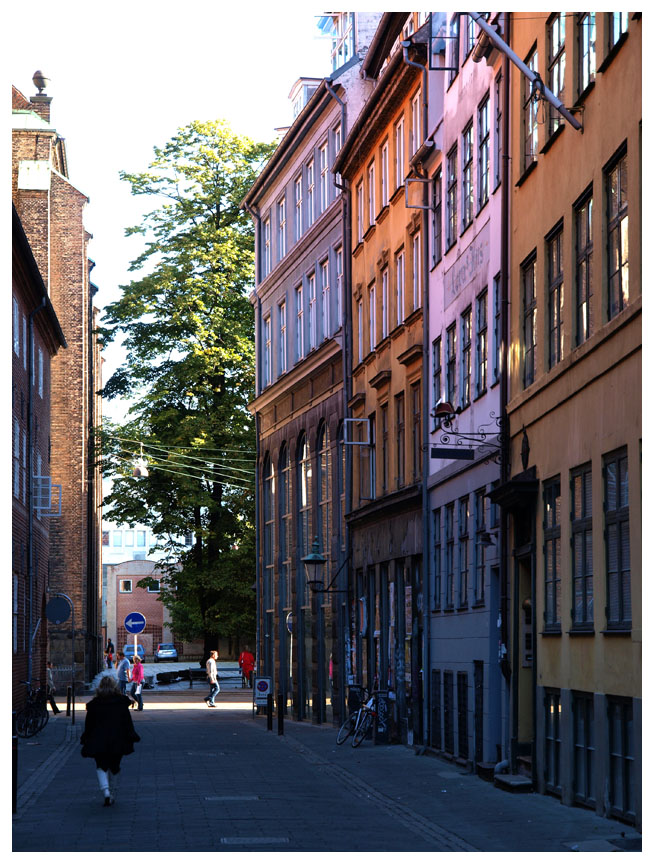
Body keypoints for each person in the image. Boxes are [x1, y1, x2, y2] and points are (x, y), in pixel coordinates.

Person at [80, 675, 140, 806]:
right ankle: (112, 792)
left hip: (98, 739)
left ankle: (105, 791)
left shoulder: (94, 705)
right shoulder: (121, 703)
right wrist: (131, 735)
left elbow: (88, 724)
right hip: (117, 739)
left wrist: (86, 738)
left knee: (101, 765)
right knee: (115, 766)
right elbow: (127, 722)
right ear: (115, 687)